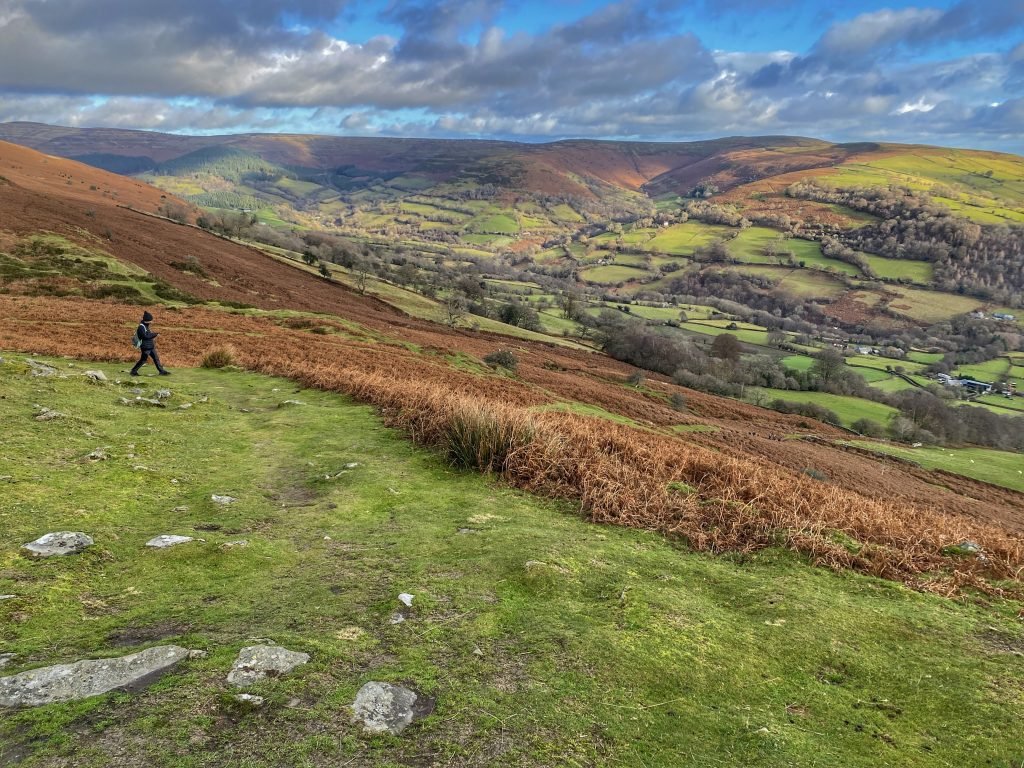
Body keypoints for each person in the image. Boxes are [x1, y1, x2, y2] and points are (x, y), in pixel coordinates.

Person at [130, 310, 170, 376]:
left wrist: (153, 335)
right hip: (145, 347)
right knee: (143, 360)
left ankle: (162, 371)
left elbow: (148, 334)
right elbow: (145, 336)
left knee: (156, 358)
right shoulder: (141, 327)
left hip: (151, 346)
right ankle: (133, 371)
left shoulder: (146, 326)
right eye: (150, 320)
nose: (151, 321)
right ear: (147, 320)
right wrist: (155, 334)